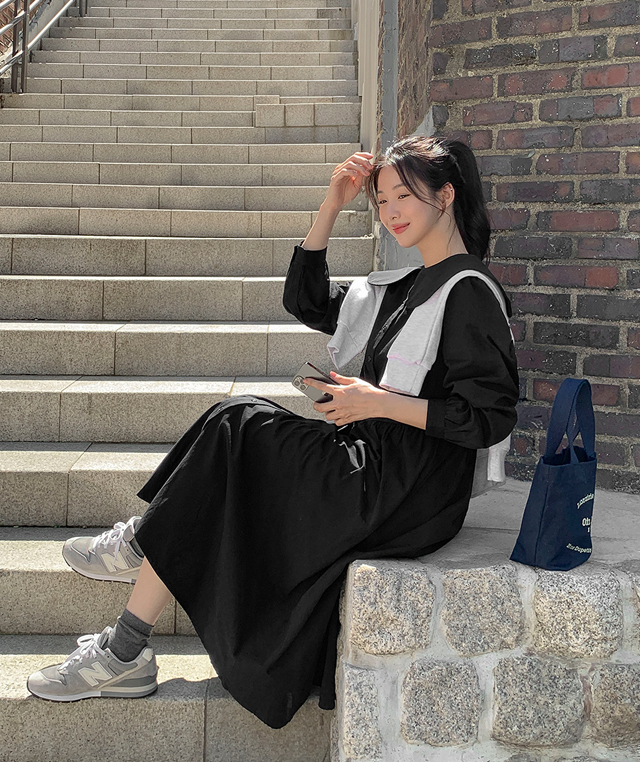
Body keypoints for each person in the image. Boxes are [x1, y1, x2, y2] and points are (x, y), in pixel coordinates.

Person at [27, 135, 519, 728]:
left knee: (236, 427)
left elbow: (489, 417)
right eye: (382, 199)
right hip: (374, 458)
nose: (391, 211)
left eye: (404, 196)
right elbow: (306, 300)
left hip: (410, 490)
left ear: (445, 196)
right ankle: (127, 635)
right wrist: (331, 205)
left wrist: (377, 402)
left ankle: (133, 601)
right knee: (232, 425)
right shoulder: (406, 284)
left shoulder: (468, 290)